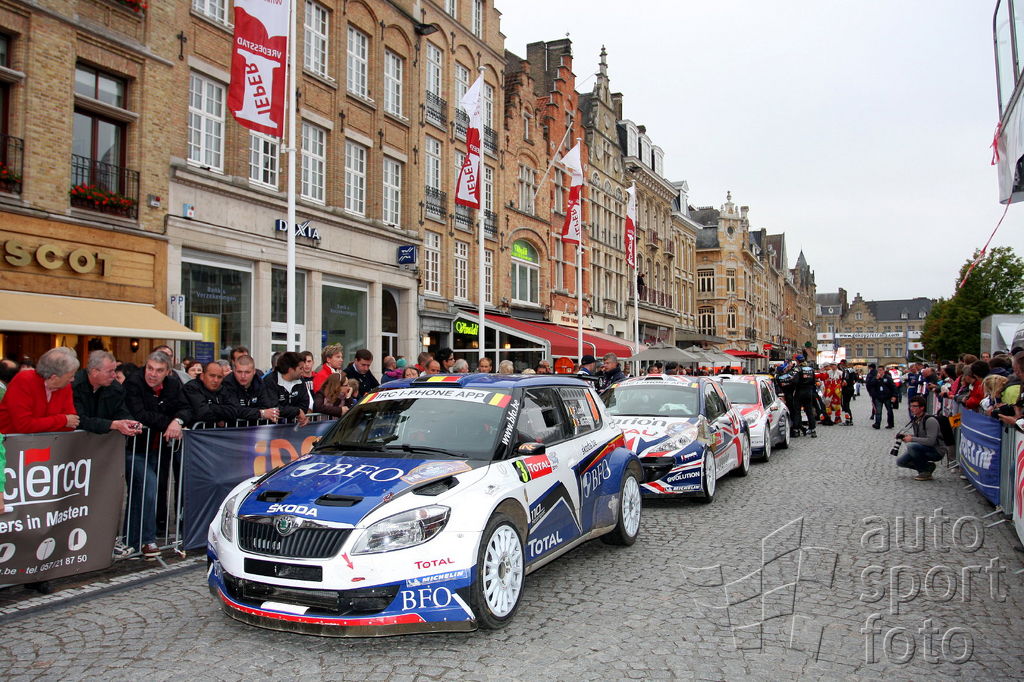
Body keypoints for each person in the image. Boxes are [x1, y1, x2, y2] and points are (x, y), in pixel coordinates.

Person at [124, 351, 191, 558]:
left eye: (159, 370)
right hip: (134, 447)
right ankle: (147, 540)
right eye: (150, 368)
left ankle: (130, 540)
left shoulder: (173, 385)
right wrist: (169, 423)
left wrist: (178, 421)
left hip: (158, 448)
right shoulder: (133, 382)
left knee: (142, 493)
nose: (152, 374)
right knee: (148, 487)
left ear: (168, 372)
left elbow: (186, 408)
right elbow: (140, 414)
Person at [0, 347, 80, 434]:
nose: (73, 379)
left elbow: (72, 424)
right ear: (54, 378)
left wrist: (41, 424)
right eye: (70, 376)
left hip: (45, 441)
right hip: (9, 440)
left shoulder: (65, 386)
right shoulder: (24, 381)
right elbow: (24, 426)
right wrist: (63, 420)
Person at [72, 351, 142, 437]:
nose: (114, 375)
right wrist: (112, 425)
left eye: (114, 370)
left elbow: (121, 411)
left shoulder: (116, 388)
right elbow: (79, 420)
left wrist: (130, 423)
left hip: (105, 441)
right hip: (74, 441)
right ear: (94, 372)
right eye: (110, 371)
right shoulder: (74, 386)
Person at [895, 395, 946, 481]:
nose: (911, 408)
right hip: (925, 447)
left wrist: (912, 439)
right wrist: (906, 436)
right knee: (900, 462)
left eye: (914, 406)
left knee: (911, 446)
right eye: (910, 406)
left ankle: (924, 471)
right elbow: (920, 437)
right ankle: (928, 466)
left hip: (936, 450)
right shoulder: (916, 419)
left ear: (922, 407)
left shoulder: (930, 420)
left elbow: (931, 441)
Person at [221, 354, 277, 422]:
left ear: (254, 372)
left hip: (256, 426)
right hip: (232, 427)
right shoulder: (227, 383)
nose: (243, 376)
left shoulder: (259, 383)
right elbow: (235, 410)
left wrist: (257, 413)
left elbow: (267, 406)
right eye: (239, 372)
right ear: (234, 371)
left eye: (247, 372)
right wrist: (260, 413)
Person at [262, 351, 311, 426]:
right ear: (290, 369)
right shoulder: (270, 381)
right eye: (300, 368)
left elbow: (304, 405)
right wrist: (297, 411)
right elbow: (274, 408)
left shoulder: (300, 380)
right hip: (272, 427)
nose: (303, 371)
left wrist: (297, 412)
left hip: (294, 426)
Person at [183, 361, 238, 427]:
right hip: (198, 431)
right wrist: (220, 417)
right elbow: (202, 412)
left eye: (219, 377)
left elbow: (234, 411)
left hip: (221, 432)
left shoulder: (224, 388)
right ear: (202, 376)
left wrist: (211, 407)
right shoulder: (192, 387)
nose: (216, 380)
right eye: (212, 376)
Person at [838, 359, 857, 425]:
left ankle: (848, 420)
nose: (841, 366)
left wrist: (844, 382)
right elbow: (856, 378)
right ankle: (849, 419)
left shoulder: (846, 371)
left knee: (845, 405)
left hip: (846, 389)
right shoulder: (852, 370)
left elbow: (845, 380)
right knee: (846, 404)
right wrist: (852, 382)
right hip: (851, 388)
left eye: (842, 364)